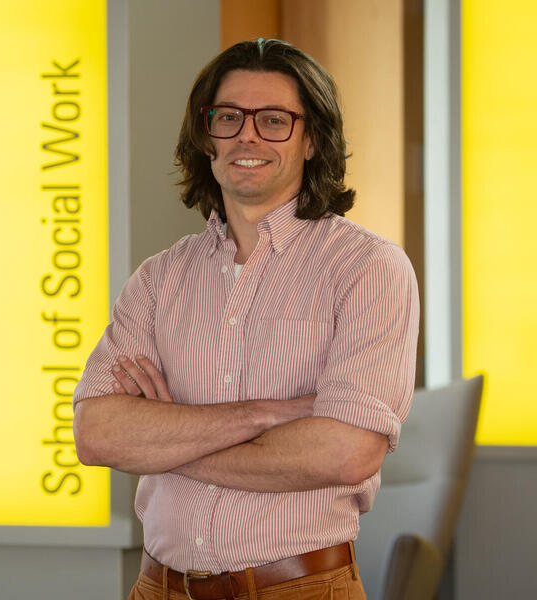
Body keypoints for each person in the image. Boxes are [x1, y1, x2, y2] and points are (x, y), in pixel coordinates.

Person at [73, 38, 419, 600]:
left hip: (300, 590)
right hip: (156, 589)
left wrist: (168, 436)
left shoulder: (369, 268)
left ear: (311, 141)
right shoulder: (159, 279)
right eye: (228, 117)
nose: (247, 136)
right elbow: (98, 435)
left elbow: (347, 452)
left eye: (275, 120)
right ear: (205, 137)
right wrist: (266, 415)